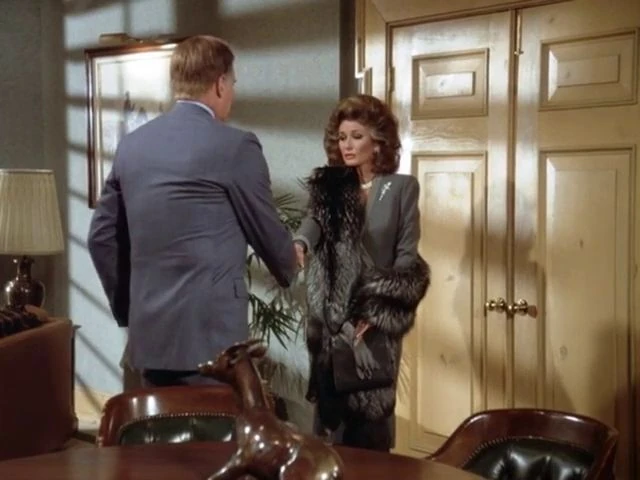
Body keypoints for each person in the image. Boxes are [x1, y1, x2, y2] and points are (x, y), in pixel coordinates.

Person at [87, 35, 297, 388]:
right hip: (215, 345)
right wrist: (290, 260)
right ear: (220, 83)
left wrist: (132, 310)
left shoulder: (132, 145)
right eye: (232, 84)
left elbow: (101, 238)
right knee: (213, 426)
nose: (232, 94)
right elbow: (269, 235)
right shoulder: (236, 146)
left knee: (160, 424)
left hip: (151, 341)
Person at [294, 94, 430, 451]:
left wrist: (376, 310)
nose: (347, 145)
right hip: (333, 321)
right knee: (331, 424)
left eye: (356, 136)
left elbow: (406, 256)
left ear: (378, 141)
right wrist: (300, 243)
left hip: (373, 322)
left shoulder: (401, 188)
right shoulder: (331, 187)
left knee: (371, 422)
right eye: (342, 137)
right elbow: (313, 221)